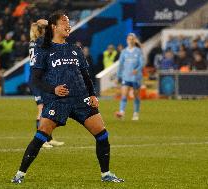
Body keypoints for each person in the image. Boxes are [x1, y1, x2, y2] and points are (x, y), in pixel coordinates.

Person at [11, 11, 124, 184]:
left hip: (81, 99)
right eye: (64, 21)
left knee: (102, 135)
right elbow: (34, 79)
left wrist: (92, 94)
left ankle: (106, 174)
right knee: (41, 136)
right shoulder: (43, 48)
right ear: (54, 27)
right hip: (57, 100)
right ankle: (19, 174)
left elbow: (86, 76)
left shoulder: (75, 49)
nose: (68, 24)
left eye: (69, 22)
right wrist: (53, 89)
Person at [28, 19, 64, 148]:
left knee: (49, 109)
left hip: (41, 79)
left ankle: (48, 138)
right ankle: (41, 140)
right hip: (38, 80)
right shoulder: (41, 42)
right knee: (42, 109)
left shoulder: (35, 41)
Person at [115, 33, 144, 121]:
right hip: (126, 77)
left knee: (136, 95)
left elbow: (142, 63)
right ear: (127, 40)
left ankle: (136, 113)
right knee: (124, 95)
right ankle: (121, 112)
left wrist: (137, 69)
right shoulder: (124, 52)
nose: (130, 40)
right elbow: (120, 65)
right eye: (129, 39)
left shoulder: (138, 51)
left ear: (134, 40)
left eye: (132, 39)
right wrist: (118, 76)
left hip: (136, 77)